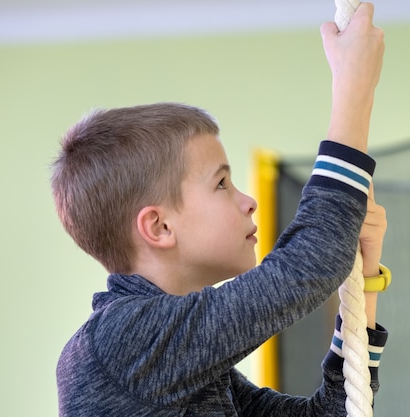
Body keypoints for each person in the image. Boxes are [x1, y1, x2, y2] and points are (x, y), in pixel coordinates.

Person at [52, 3, 388, 416]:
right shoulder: (119, 342)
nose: (249, 201)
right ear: (159, 226)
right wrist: (355, 90)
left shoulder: (187, 367)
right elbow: (307, 266)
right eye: (222, 184)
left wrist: (365, 280)